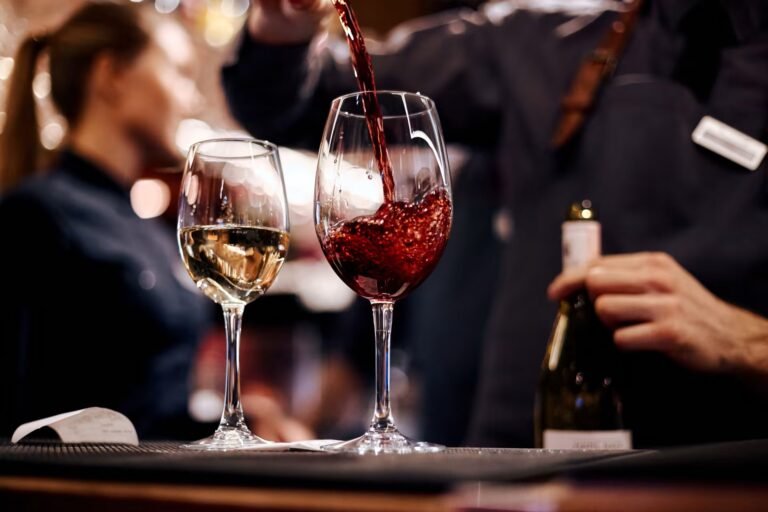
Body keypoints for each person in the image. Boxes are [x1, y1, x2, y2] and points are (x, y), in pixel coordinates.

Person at [221, 0, 768, 447]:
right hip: (520, 465)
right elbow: (313, 97)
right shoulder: (539, 45)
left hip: (717, 474)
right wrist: (281, 29)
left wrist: (750, 342)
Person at [0, 2, 212, 439]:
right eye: (178, 72)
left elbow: (150, 412)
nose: (193, 98)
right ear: (111, 74)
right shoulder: (35, 216)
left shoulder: (149, 229)